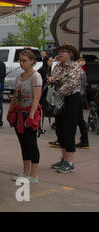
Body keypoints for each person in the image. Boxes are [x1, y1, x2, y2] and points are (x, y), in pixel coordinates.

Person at [7, 50, 42, 184]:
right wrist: (10, 110)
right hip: (18, 113)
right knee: (23, 143)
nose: (21, 63)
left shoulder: (35, 76)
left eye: (24, 60)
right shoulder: (19, 76)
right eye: (20, 60)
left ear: (32, 61)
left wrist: (31, 116)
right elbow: (16, 95)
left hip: (28, 113)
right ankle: (25, 171)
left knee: (31, 143)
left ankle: (34, 174)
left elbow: (36, 97)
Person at [48, 43, 82, 173]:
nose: (60, 54)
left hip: (71, 99)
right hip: (59, 100)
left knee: (69, 129)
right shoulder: (58, 66)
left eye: (64, 52)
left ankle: (70, 162)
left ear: (71, 54)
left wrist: (57, 90)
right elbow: (54, 79)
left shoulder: (75, 67)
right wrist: (51, 79)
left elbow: (71, 85)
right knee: (60, 129)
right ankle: (64, 158)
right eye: (60, 52)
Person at [76, 57, 89, 149]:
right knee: (80, 119)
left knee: (78, 119)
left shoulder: (78, 72)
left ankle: (84, 140)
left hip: (77, 97)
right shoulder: (82, 72)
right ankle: (84, 140)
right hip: (81, 96)